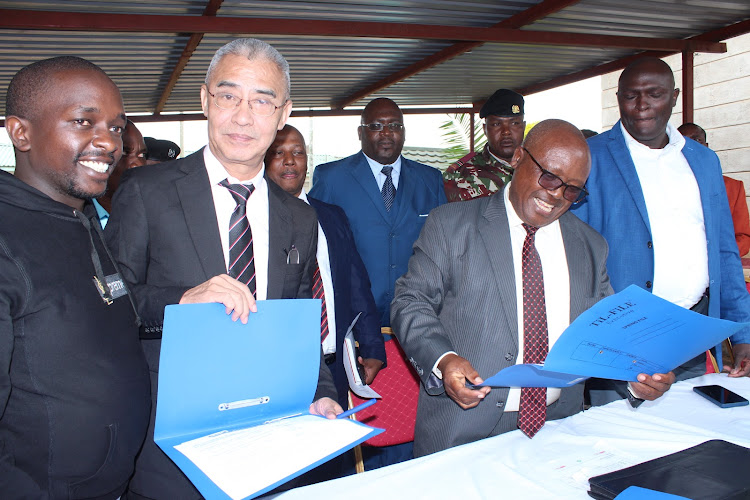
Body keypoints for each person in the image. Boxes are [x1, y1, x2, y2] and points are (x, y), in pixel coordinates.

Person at [105, 39, 341, 499]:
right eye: (229, 96)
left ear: (283, 112)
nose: (243, 116)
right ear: (204, 99)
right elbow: (108, 300)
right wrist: (180, 301)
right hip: (168, 449)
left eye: (262, 100)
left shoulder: (299, 217)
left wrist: (322, 389)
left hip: (272, 442)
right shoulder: (145, 193)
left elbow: (298, 321)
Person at [391, 120, 674, 457]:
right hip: (464, 430)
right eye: (550, 177)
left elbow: (604, 336)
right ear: (518, 158)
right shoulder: (451, 225)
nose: (556, 195)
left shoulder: (590, 246)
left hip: (558, 429)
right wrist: (445, 359)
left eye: (572, 190)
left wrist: (637, 378)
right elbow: (411, 301)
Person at [0, 56, 150, 498]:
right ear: (20, 133)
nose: (108, 142)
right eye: (84, 122)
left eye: (117, 127)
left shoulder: (77, 218)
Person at [572, 58, 750, 406]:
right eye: (630, 96)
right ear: (619, 98)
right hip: (620, 340)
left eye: (654, 94)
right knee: (620, 443)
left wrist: (742, 332)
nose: (641, 106)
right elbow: (576, 255)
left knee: (687, 441)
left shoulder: (702, 161)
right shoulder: (590, 158)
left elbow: (724, 252)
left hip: (692, 333)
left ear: (674, 97)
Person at [265, 124, 386, 407]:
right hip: (280, 368)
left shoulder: (331, 216)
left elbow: (357, 283)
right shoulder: (256, 222)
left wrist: (372, 346)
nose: (290, 160)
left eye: (298, 152)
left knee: (338, 448)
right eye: (278, 152)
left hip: (336, 365)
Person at [310, 97, 446, 328]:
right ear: (360, 132)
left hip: (417, 311)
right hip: (353, 315)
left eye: (394, 126)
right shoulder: (331, 178)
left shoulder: (430, 180)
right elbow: (315, 245)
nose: (386, 133)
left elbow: (444, 246)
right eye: (376, 126)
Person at [678, 122, 750, 256]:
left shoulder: (733, 187)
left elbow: (743, 239)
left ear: (706, 146)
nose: (689, 146)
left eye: (696, 140)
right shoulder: (667, 185)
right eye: (682, 140)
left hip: (718, 267)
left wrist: (713, 257)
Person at [442, 88, 526, 202]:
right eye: (496, 124)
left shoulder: (543, 167)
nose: (506, 131)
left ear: (524, 126)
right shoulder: (458, 175)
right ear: (485, 129)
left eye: (514, 123)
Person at [94, 119, 147, 226]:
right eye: (125, 152)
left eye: (141, 155)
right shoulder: (78, 215)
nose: (137, 164)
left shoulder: (151, 215)